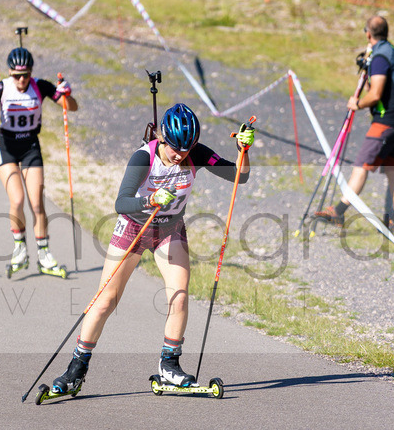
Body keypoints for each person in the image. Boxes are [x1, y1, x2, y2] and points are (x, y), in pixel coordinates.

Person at [46, 103, 254, 394]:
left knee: (180, 297)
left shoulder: (196, 153)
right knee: (106, 301)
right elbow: (121, 203)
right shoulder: (143, 158)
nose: (181, 155)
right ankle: (76, 369)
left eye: (187, 148)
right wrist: (150, 200)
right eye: (175, 148)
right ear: (164, 138)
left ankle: (169, 365)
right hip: (134, 229)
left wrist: (243, 152)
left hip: (169, 230)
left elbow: (239, 177)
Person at [0, 47, 77, 277]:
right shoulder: (3, 89)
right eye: (16, 75)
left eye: (25, 75)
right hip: (7, 147)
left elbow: (71, 108)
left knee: (37, 203)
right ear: (10, 73)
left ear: (31, 72)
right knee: (17, 199)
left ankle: (44, 254)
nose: (21, 80)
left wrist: (66, 94)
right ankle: (19, 248)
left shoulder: (41, 86)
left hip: (30, 147)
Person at [316, 15, 394, 235]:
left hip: (387, 120)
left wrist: (357, 103)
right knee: (392, 169)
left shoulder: (380, 58)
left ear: (368, 34)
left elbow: (376, 94)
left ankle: (338, 212)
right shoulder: (392, 52)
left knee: (361, 166)